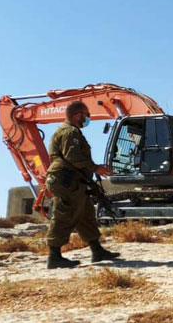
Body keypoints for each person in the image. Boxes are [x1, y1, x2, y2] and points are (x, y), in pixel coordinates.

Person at [44, 100, 121, 269]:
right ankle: (54, 256)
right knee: (63, 215)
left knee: (85, 214)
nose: (88, 119)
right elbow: (73, 157)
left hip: (74, 180)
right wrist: (96, 168)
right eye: (86, 115)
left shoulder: (73, 132)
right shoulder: (69, 132)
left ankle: (97, 251)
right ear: (77, 115)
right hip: (65, 180)